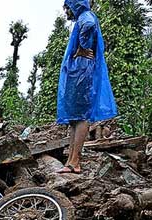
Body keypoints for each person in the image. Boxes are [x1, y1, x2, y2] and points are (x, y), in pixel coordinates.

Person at [57, 0, 117, 174]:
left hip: (83, 72)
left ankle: (75, 161)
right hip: (78, 72)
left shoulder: (86, 17)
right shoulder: (82, 18)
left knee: (81, 116)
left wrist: (82, 47)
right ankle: (70, 160)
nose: (66, 11)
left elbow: (89, 25)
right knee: (74, 118)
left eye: (68, 7)